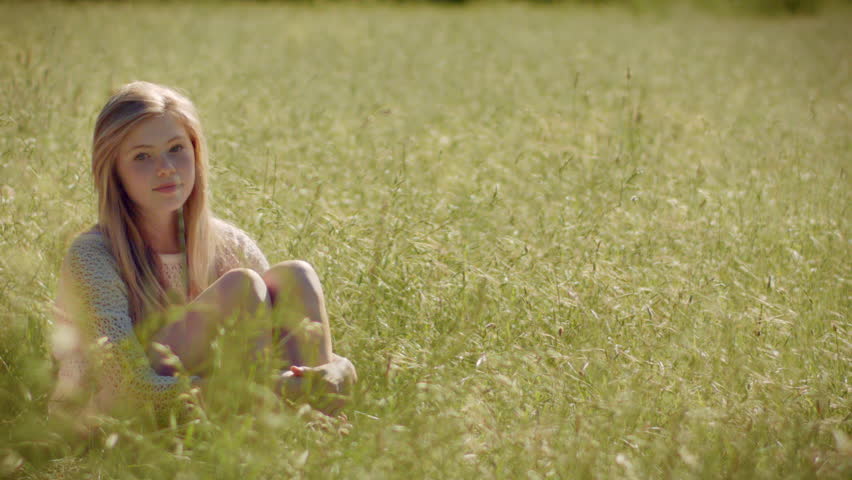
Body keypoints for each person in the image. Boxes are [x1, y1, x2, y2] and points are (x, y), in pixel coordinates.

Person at [50, 81, 356, 421]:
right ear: (114, 171)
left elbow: (278, 346)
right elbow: (126, 390)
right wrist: (249, 391)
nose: (165, 166)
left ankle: (313, 433)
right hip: (112, 417)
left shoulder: (229, 244)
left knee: (295, 276)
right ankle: (258, 432)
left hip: (204, 407)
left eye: (176, 148)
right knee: (241, 288)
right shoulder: (93, 256)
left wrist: (339, 372)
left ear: (196, 152)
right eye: (142, 156)